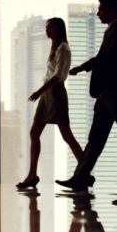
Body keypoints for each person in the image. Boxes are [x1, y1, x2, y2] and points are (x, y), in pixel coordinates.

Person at [56, 0, 117, 195]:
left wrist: (84, 67)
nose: (98, 12)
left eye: (101, 9)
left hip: (116, 93)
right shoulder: (112, 30)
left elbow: (108, 57)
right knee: (96, 139)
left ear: (111, 9)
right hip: (106, 95)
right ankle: (80, 177)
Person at [17, 17, 83, 190]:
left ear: (60, 29)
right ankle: (32, 175)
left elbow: (58, 75)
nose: (47, 30)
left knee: (66, 135)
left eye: (51, 27)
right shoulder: (54, 47)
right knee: (34, 133)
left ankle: (85, 172)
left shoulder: (63, 48)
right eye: (46, 27)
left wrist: (39, 91)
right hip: (48, 94)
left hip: (55, 93)